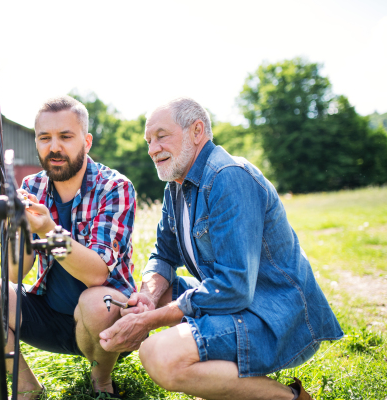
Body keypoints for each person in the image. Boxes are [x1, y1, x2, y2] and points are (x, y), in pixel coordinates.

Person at [99, 97, 343, 400]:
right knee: (141, 296)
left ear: (197, 131)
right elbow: (163, 255)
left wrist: (149, 320)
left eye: (161, 136)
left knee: (158, 356)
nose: (152, 149)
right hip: (237, 302)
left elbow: (234, 286)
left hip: (272, 313)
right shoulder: (176, 185)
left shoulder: (228, 175)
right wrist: (148, 298)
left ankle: (290, 398)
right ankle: (219, 382)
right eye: (148, 140)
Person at [0, 96, 137, 399]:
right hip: (48, 312)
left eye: (65, 137)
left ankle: (101, 381)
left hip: (106, 321)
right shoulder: (31, 189)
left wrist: (49, 230)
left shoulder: (114, 187)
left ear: (86, 141)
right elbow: (12, 274)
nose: (54, 147)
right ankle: (26, 388)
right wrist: (21, 231)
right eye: (45, 138)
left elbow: (97, 276)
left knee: (95, 303)